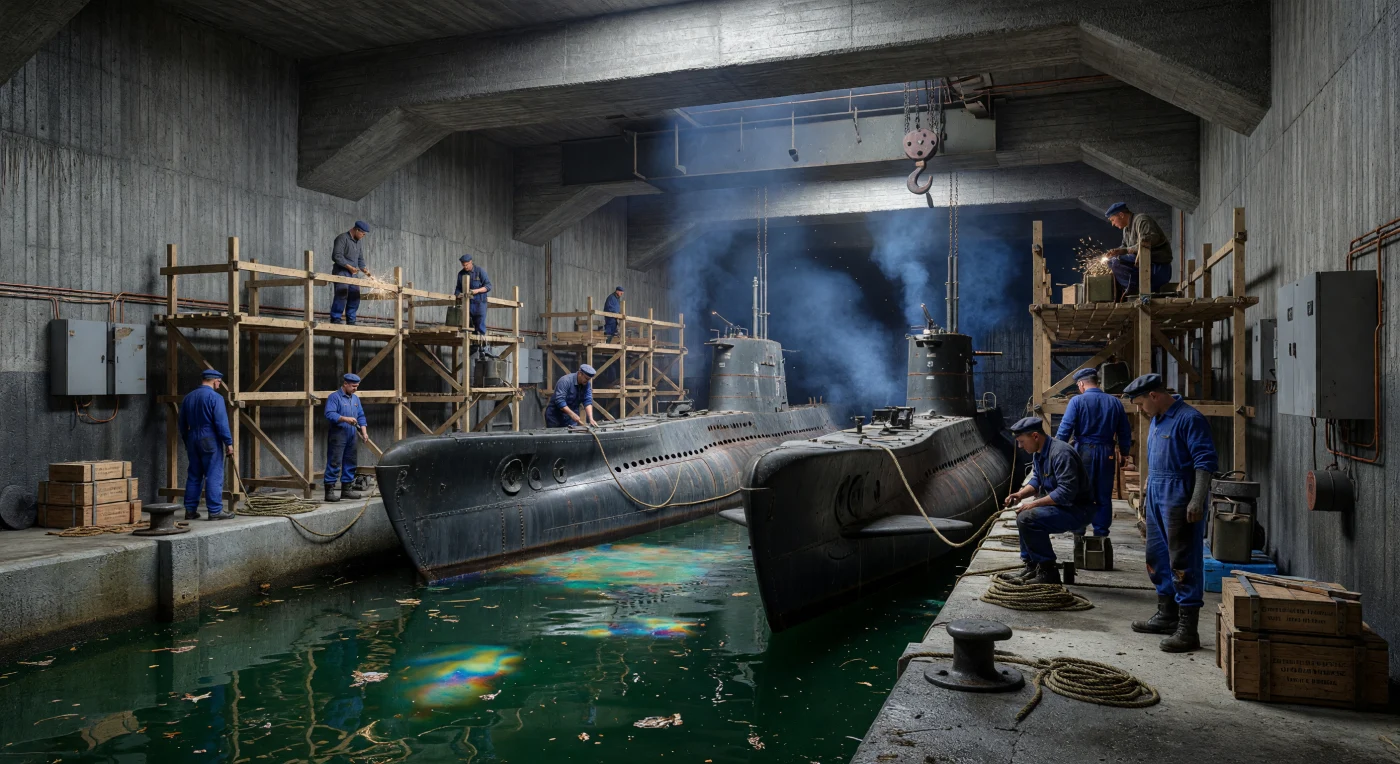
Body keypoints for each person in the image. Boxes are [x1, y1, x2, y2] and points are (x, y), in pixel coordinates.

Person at [1123, 373, 1217, 653]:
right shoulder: (1157, 420)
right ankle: (1166, 615)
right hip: (1157, 495)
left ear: (1154, 395)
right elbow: (1155, 462)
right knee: (1158, 556)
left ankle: (1188, 631)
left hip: (1179, 495)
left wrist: (1197, 500)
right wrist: (1146, 491)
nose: (1140, 410)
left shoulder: (1190, 419)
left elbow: (1205, 461)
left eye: (1140, 403)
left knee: (1183, 559)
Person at [1002, 416, 1096, 585]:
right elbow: (1037, 479)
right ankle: (1032, 566)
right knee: (1024, 515)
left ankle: (1048, 571)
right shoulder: (1040, 452)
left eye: (1022, 441)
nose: (1020, 446)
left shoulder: (1061, 453)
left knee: (1027, 517)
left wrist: (1033, 503)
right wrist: (1020, 495)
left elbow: (1065, 492)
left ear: (1035, 436)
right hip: (1062, 507)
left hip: (1077, 510)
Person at [1055, 367, 1133, 537]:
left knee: (1081, 492)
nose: (1078, 388)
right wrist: (1125, 453)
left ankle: (1078, 532)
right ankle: (1101, 534)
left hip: (1084, 452)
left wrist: (1056, 453)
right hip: (1107, 452)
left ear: (1082, 383)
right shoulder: (1115, 402)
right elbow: (1124, 431)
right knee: (1104, 494)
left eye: (1078, 385)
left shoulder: (1077, 402)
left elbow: (1064, 430)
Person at [178, 369, 235, 521]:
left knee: (194, 475)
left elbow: (182, 423)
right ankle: (215, 511)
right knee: (213, 474)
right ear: (215, 380)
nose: (219, 386)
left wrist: (187, 440)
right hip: (209, 438)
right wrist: (228, 443)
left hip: (192, 438)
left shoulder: (188, 398)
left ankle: (190, 511)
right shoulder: (215, 397)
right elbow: (221, 423)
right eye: (219, 383)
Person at [1102, 203, 1172, 297]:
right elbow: (1125, 247)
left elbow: (1150, 240)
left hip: (1157, 267)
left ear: (1121, 215)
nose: (1113, 224)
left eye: (1113, 220)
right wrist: (1117, 251)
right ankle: (1131, 287)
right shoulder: (1126, 229)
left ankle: (1135, 289)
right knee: (1111, 261)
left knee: (1117, 261)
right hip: (1143, 266)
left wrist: (1126, 250)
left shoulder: (1142, 220)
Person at [324, 373, 369, 502]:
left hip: (352, 435)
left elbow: (361, 416)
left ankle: (347, 490)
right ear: (345, 384)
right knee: (334, 461)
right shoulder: (334, 397)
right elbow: (329, 414)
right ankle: (329, 491)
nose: (355, 389)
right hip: (338, 434)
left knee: (350, 461)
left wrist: (364, 432)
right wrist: (345, 419)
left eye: (357, 386)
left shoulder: (355, 399)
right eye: (353, 386)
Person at [330, 221, 371, 324]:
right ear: (357, 230)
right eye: (363, 233)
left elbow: (360, 259)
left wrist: (364, 269)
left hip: (353, 273)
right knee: (342, 293)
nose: (363, 236)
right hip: (341, 271)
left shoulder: (358, 242)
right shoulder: (342, 238)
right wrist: (348, 267)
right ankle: (335, 318)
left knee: (355, 295)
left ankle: (351, 320)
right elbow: (336, 256)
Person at [454, 254, 492, 336]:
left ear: (471, 262)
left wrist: (477, 291)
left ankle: (482, 345)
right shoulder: (461, 274)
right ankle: (472, 347)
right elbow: (458, 288)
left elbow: (488, 286)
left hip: (479, 303)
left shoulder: (480, 271)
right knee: (468, 326)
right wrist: (458, 295)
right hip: (467, 304)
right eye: (463, 265)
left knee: (480, 326)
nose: (465, 267)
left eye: (467, 265)